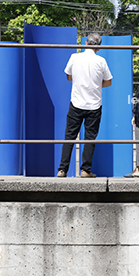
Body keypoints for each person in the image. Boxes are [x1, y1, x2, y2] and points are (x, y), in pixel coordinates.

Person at [57, 34, 113, 178]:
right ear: (98, 47)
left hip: (76, 102)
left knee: (69, 136)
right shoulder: (101, 61)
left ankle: (62, 169)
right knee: (90, 138)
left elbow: (68, 76)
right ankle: (85, 170)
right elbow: (108, 82)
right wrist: (94, 84)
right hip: (94, 104)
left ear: (86, 42)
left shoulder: (74, 57)